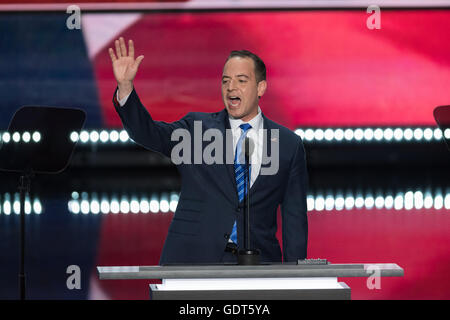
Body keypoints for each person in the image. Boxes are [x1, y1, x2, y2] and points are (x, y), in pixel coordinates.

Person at [109, 37, 308, 264]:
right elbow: (148, 133)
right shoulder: (197, 130)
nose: (231, 87)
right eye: (225, 81)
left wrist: (297, 273)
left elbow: (295, 219)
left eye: (241, 80)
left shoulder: (288, 144)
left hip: (259, 264)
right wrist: (126, 88)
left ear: (261, 87)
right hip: (193, 260)